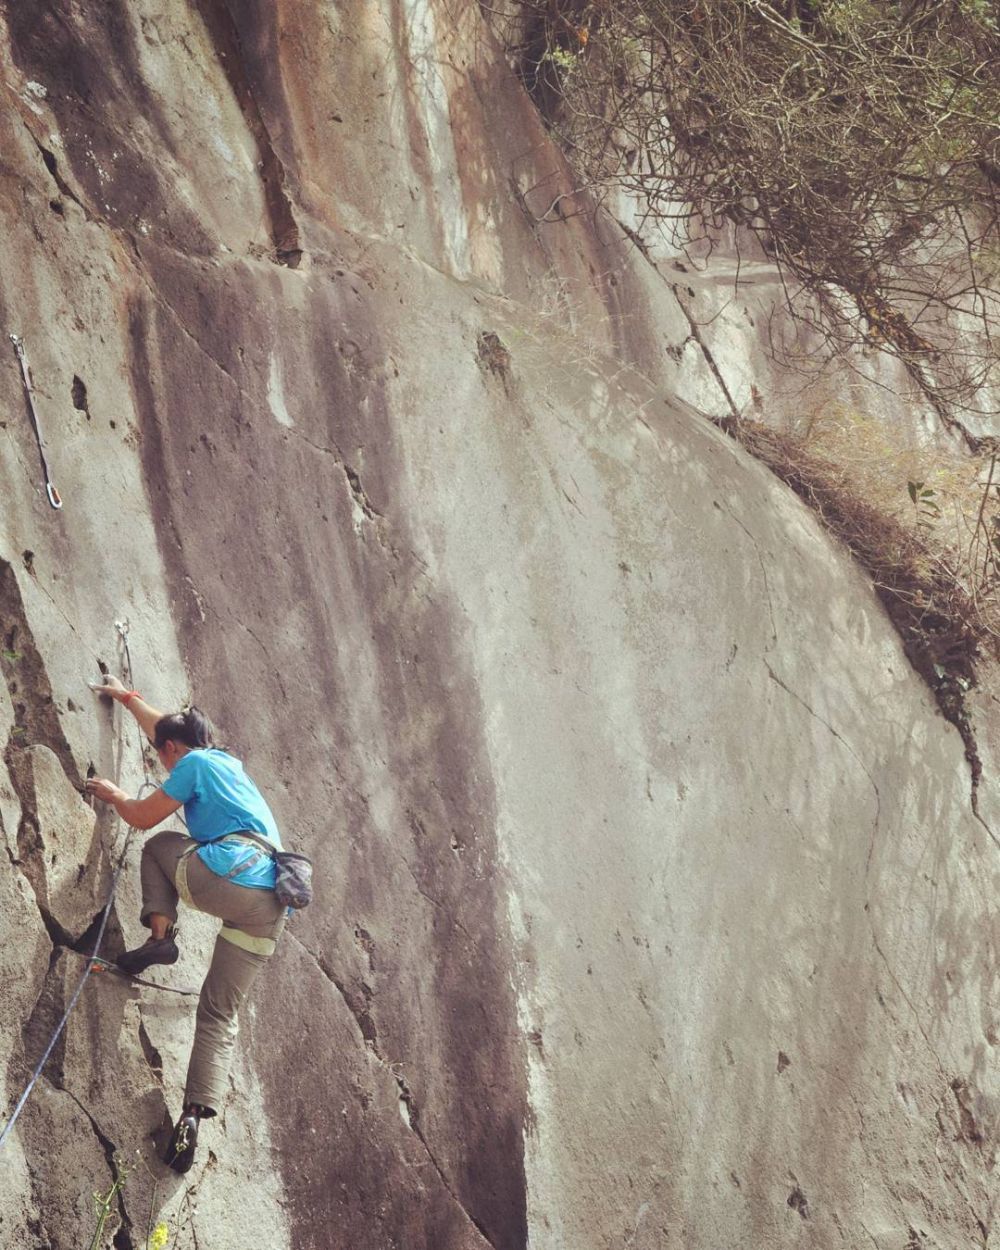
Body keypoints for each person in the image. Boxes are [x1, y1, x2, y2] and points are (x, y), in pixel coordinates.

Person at [86, 676, 286, 1174]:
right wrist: (128, 698)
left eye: (161, 757)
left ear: (174, 750)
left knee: (157, 849)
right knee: (220, 1014)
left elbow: (141, 818)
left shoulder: (190, 764)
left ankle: (160, 940)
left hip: (231, 875)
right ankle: (192, 1117)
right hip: (272, 905)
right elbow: (163, 728)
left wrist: (114, 795)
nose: (161, 765)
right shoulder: (223, 762)